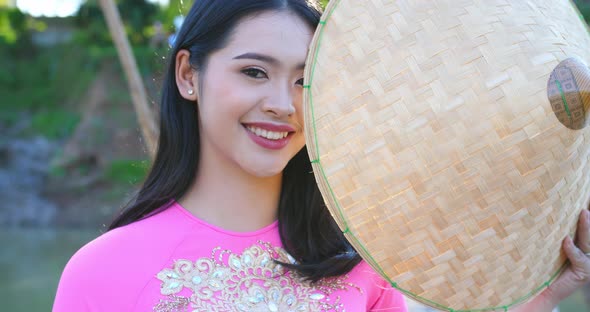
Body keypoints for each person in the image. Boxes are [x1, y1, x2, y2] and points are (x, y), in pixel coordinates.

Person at [53, 0, 590, 311]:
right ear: (190, 75)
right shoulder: (101, 273)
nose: (283, 105)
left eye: (306, 83)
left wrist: (538, 296)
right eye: (254, 72)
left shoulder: (366, 268)